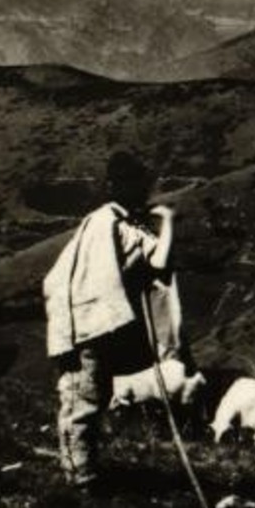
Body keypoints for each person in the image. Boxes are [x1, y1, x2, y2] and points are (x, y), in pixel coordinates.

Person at [42, 152, 176, 485]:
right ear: (120, 187)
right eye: (137, 184)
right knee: (82, 398)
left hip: (93, 324)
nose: (144, 191)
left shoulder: (119, 223)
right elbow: (158, 262)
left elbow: (154, 261)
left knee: (92, 396)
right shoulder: (108, 222)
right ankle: (80, 477)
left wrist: (161, 225)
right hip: (85, 326)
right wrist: (167, 222)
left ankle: (81, 469)